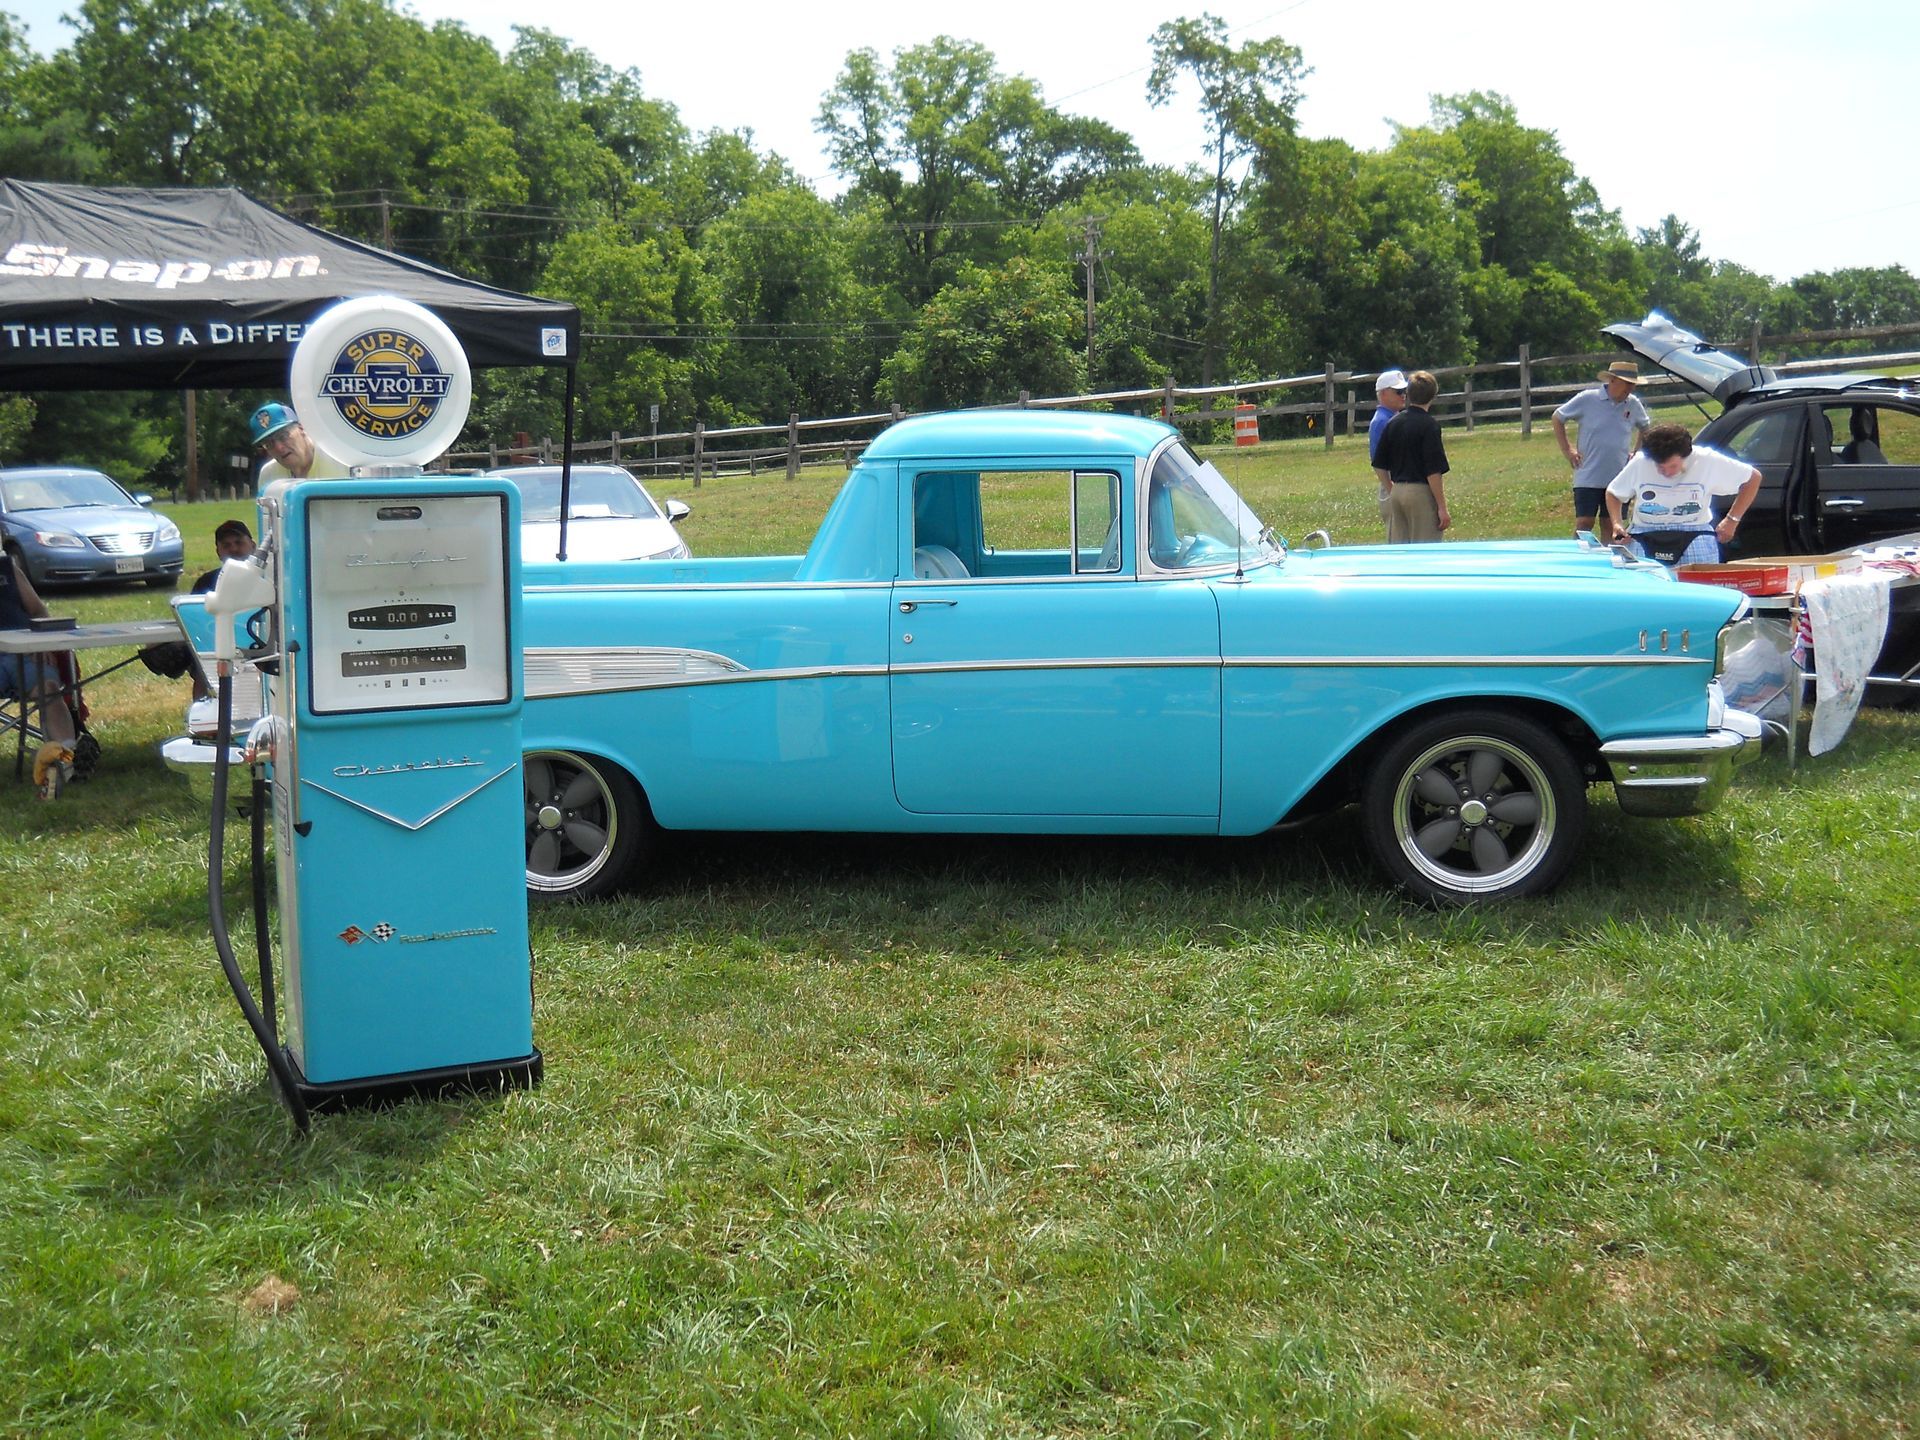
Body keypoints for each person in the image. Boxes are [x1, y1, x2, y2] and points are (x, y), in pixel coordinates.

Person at [1604, 422, 1762, 566]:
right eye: (1660, 467)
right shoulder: (1641, 461)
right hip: (1645, 532)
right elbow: (1613, 493)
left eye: (1673, 466)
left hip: (1693, 532)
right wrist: (1617, 524)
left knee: (1698, 585)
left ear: (1686, 456)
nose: (1666, 472)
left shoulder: (1706, 459)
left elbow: (1753, 478)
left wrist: (1732, 520)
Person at [1, 552, 79, 797]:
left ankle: (65, 762)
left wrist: (43, 642)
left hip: (24, 654)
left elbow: (38, 610)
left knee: (49, 689)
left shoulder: (7, 568)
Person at [1553, 360, 1652, 537]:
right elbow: (1558, 417)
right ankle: (1579, 552)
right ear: (1613, 380)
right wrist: (1568, 450)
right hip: (1588, 473)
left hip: (1619, 474)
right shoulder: (1587, 399)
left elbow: (1645, 427)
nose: (1630, 388)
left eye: (1633, 384)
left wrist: (1637, 453)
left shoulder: (1633, 404)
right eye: (1627, 383)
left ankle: (1609, 553)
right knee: (1584, 522)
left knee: (1611, 524)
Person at [1375, 370, 1450, 543]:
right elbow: (1433, 471)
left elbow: (1379, 464)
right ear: (1433, 395)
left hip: (1397, 491)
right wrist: (1441, 506)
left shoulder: (1393, 422)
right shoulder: (1429, 425)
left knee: (1401, 547)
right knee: (1425, 546)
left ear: (1408, 394)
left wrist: (1390, 488)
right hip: (1420, 492)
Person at [250, 402, 349, 487]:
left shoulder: (343, 461)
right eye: (269, 444)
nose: (279, 447)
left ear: (301, 428)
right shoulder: (269, 476)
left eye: (283, 436)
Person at [1368, 368, 1409, 531]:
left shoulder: (1394, 418)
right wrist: (1391, 489)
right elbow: (1377, 461)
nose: (1403, 395)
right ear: (1383, 393)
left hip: (1401, 483)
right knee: (1397, 534)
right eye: (1398, 392)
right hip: (1392, 484)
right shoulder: (1381, 422)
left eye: (1404, 391)